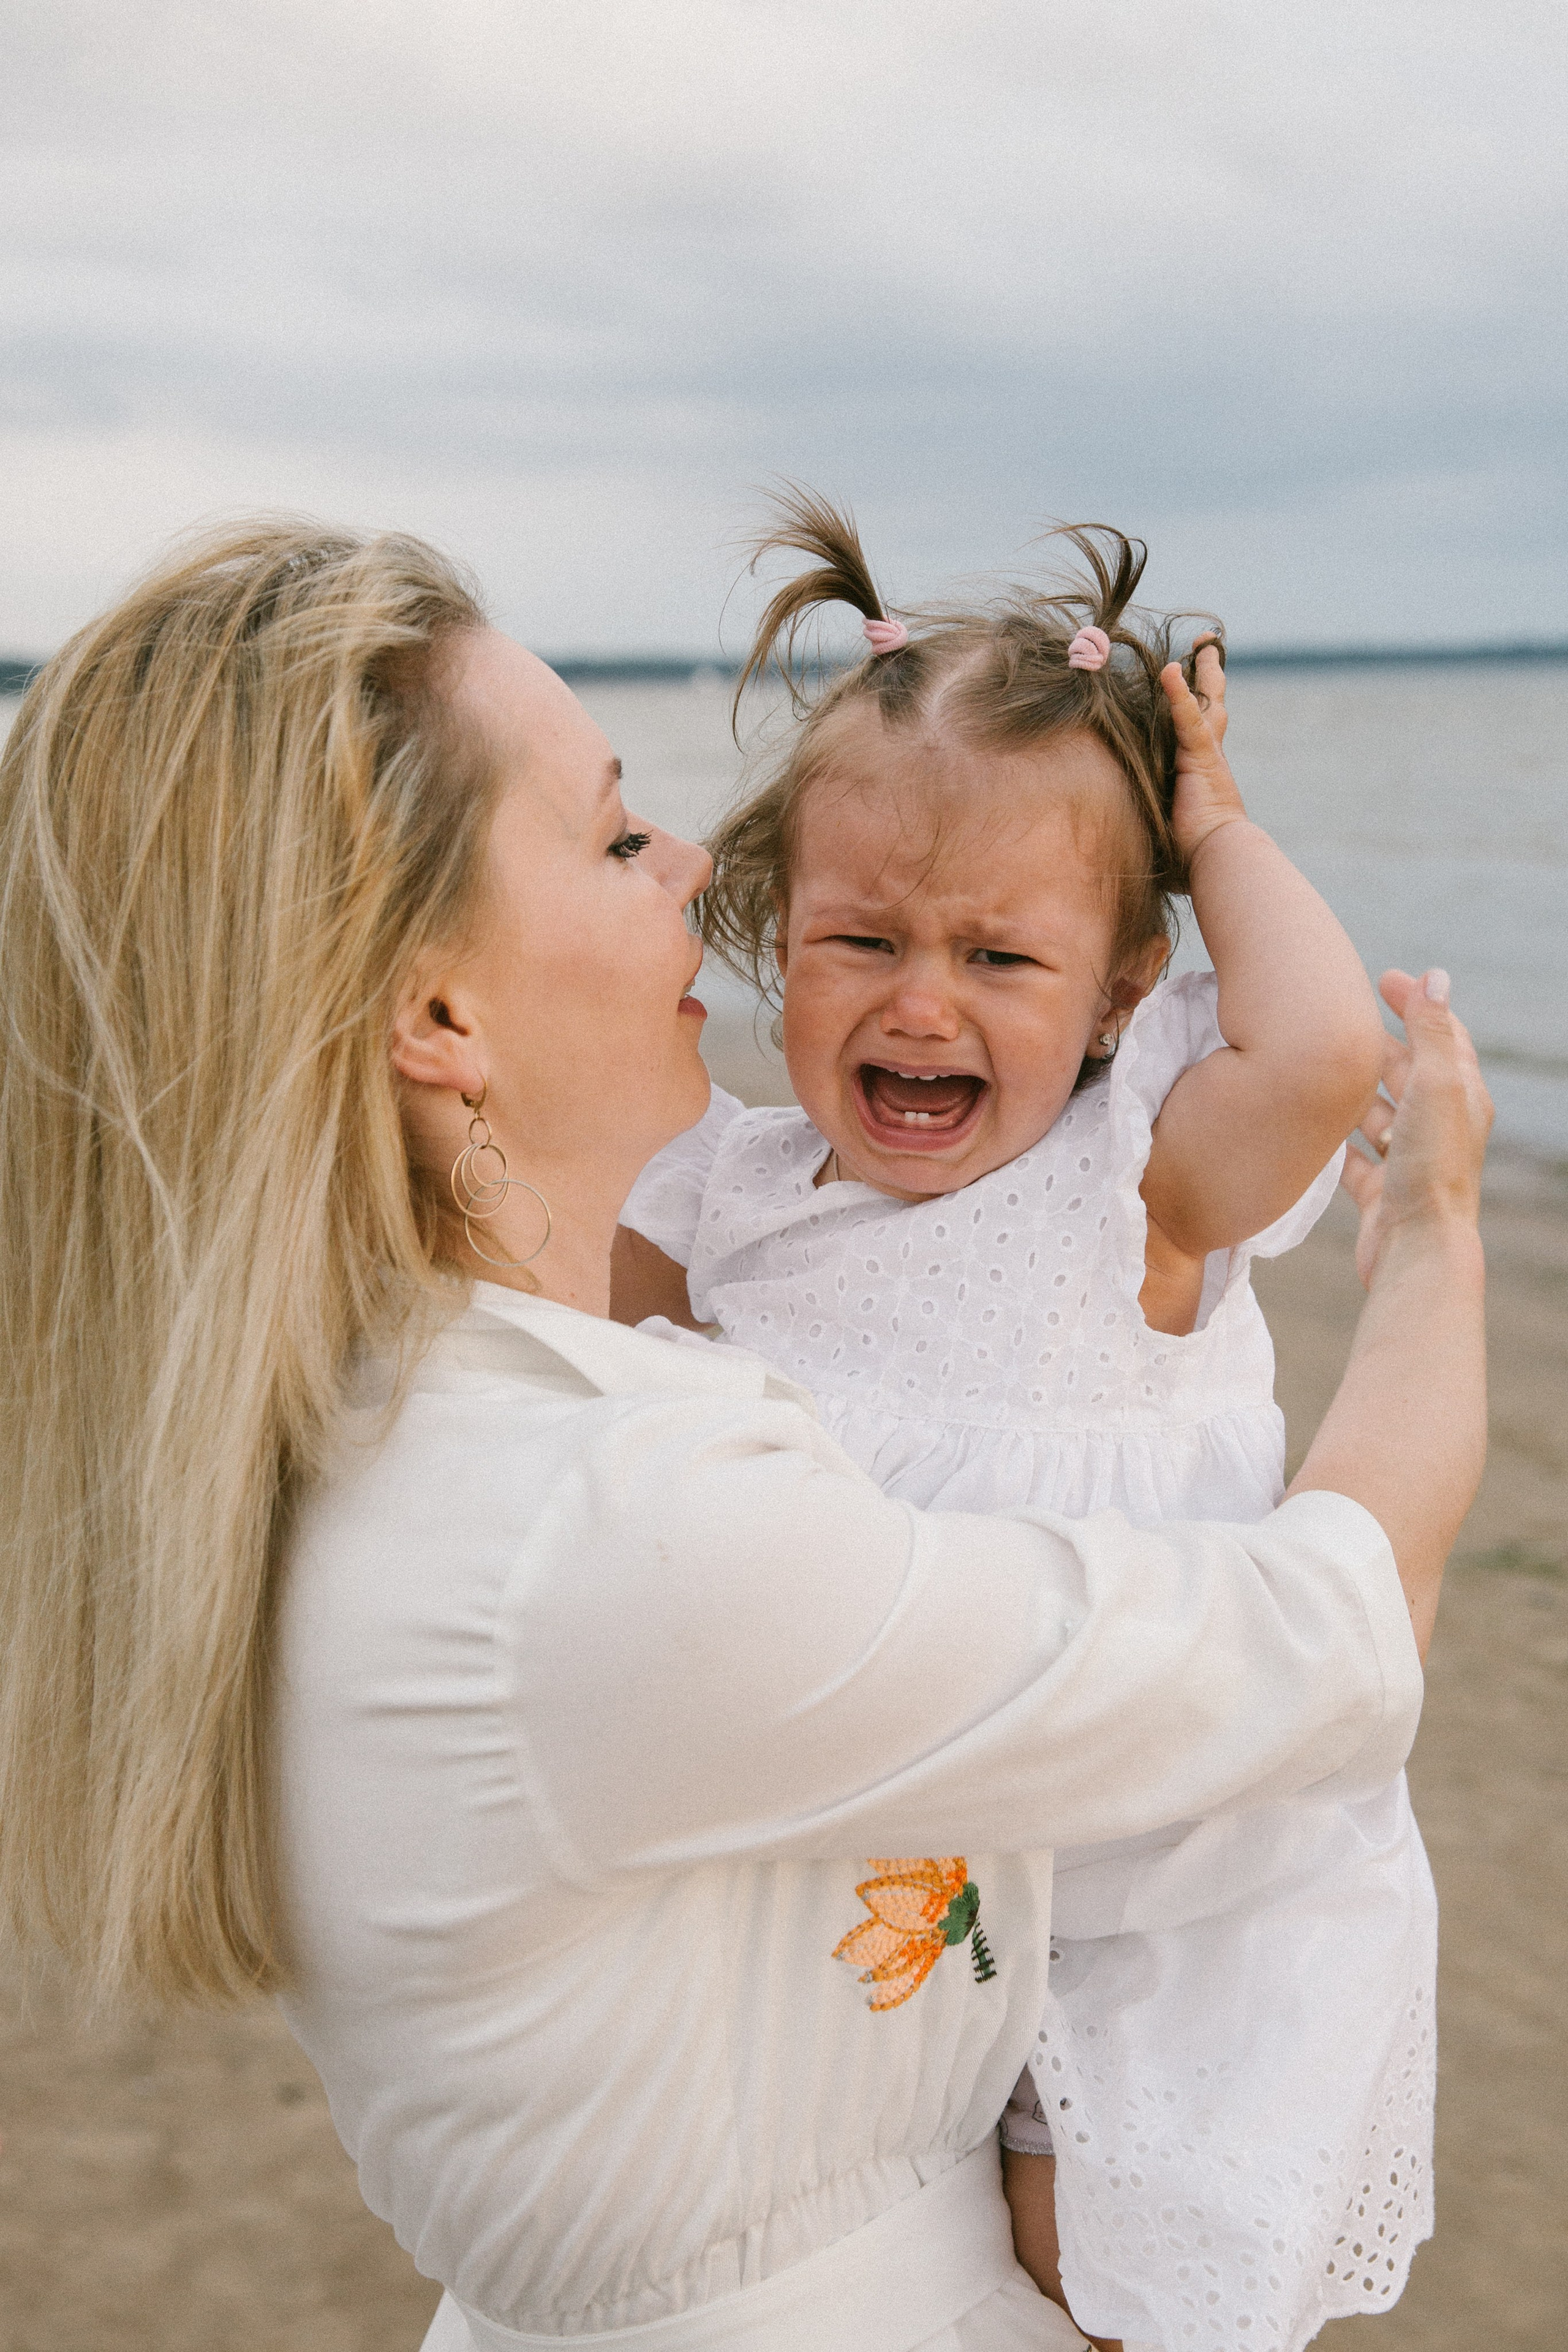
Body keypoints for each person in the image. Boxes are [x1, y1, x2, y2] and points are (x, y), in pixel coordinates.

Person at [0, 521, 1488, 2352]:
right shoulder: (605, 1523)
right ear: (436, 1014)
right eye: (617, 835)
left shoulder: (419, 1402)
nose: (702, 863)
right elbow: (1334, 1635)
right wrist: (1436, 1239)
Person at [612, 494, 1431, 2350]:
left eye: (1000, 960)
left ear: (1126, 986)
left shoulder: (1138, 1184)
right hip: (867, 1859)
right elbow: (591, 1401)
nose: (922, 1003)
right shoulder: (727, 1191)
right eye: (860, 941)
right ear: (774, 937)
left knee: (1087, 2272)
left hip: (1141, 1882)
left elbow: (1321, 1055)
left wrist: (1212, 825)